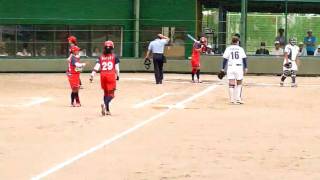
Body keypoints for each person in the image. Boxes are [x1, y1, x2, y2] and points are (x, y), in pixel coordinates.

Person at [89, 41, 120, 116]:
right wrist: (118, 76)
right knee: (111, 95)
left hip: (102, 75)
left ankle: (107, 110)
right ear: (112, 47)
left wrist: (92, 74)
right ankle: (104, 103)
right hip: (110, 75)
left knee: (106, 93)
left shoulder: (100, 56)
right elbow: (117, 69)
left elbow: (97, 66)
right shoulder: (115, 56)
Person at [220, 36, 248, 104]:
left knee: (231, 84)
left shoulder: (228, 48)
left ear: (232, 42)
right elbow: (244, 59)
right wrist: (246, 67)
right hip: (238, 67)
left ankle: (232, 100)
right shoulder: (240, 49)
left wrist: (223, 68)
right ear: (238, 42)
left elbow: (225, 59)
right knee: (239, 83)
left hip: (230, 67)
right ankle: (238, 99)